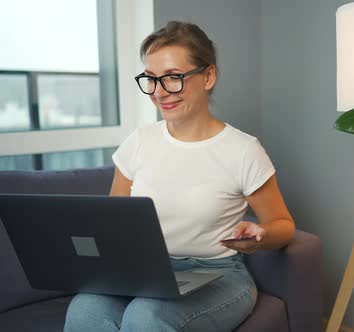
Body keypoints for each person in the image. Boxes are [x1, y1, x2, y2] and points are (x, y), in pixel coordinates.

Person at [64, 21, 295, 332]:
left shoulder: (243, 150)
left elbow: (284, 226)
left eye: (172, 78)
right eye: (151, 80)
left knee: (146, 318)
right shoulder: (138, 142)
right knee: (84, 310)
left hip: (218, 274)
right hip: (145, 271)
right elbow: (112, 223)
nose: (159, 93)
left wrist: (261, 234)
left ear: (208, 76)